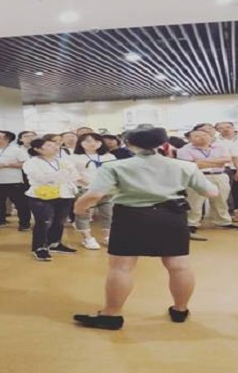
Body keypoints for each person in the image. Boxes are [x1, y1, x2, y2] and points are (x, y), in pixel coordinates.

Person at [73, 127, 218, 330]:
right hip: (171, 216)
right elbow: (211, 192)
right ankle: (180, 310)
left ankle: (111, 315)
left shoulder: (114, 166)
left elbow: (95, 195)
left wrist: (78, 208)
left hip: (130, 217)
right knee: (178, 265)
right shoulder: (185, 166)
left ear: (129, 144)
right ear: (162, 143)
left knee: (121, 267)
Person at [177, 130, 238, 241]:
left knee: (221, 199)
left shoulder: (220, 146)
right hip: (197, 176)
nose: (202, 137)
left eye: (205, 135)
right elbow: (192, 165)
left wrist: (202, 161)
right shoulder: (184, 150)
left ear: (210, 136)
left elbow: (227, 159)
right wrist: (217, 161)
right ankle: (192, 223)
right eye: (197, 136)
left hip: (219, 175)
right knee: (194, 201)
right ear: (190, 138)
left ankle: (223, 221)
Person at [23, 139, 80, 261]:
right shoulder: (32, 162)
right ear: (38, 149)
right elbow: (40, 178)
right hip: (41, 195)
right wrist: (63, 174)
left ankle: (54, 243)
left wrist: (58, 176)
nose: (54, 147)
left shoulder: (63, 161)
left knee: (59, 221)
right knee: (44, 221)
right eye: (49, 145)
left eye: (55, 144)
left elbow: (74, 176)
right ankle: (39, 247)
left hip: (64, 194)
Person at [70, 133, 116, 249]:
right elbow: (74, 174)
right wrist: (90, 184)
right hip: (84, 189)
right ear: (80, 143)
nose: (93, 143)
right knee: (83, 213)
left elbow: (115, 172)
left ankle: (108, 236)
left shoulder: (109, 156)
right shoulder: (74, 157)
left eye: (96, 141)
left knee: (108, 213)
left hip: (106, 189)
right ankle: (87, 238)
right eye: (88, 141)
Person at [0, 131, 32, 231]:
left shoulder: (17, 150)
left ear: (6, 139)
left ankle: (24, 223)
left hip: (13, 181)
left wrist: (6, 164)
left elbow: (27, 164)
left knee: (21, 204)